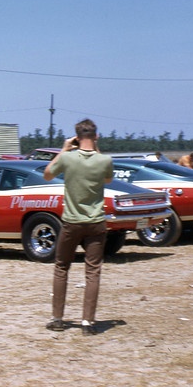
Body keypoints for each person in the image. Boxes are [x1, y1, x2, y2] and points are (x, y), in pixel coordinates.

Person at [43, 119, 113, 336]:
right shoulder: (105, 160)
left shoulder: (68, 158)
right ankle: (87, 322)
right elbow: (108, 180)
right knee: (93, 271)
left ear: (76, 136)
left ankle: (57, 318)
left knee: (61, 267)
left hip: (71, 221)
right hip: (96, 222)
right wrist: (96, 149)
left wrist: (64, 150)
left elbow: (47, 174)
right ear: (96, 136)